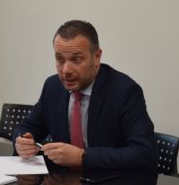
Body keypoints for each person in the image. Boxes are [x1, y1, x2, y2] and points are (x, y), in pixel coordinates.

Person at [14, 20, 156, 171]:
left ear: (97, 57)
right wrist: (22, 140)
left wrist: (83, 157)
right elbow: (27, 127)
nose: (66, 70)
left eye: (76, 59)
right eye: (60, 59)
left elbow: (145, 153)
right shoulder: (52, 86)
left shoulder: (124, 91)